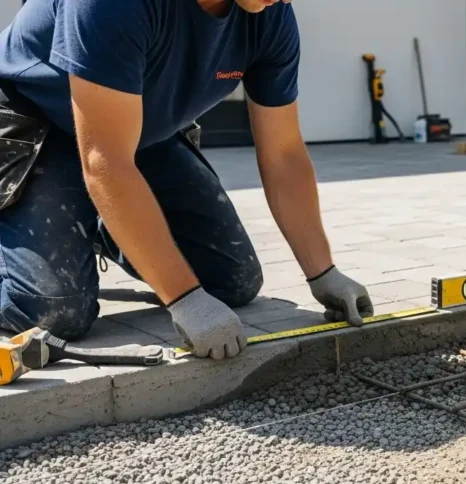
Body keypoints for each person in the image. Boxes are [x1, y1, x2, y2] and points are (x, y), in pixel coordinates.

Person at [0, 0, 374, 360]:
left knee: (232, 282)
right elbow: (106, 162)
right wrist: (184, 299)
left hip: (136, 129)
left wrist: (323, 272)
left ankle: (102, 225)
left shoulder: (269, 13)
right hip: (36, 122)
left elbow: (284, 153)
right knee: (57, 312)